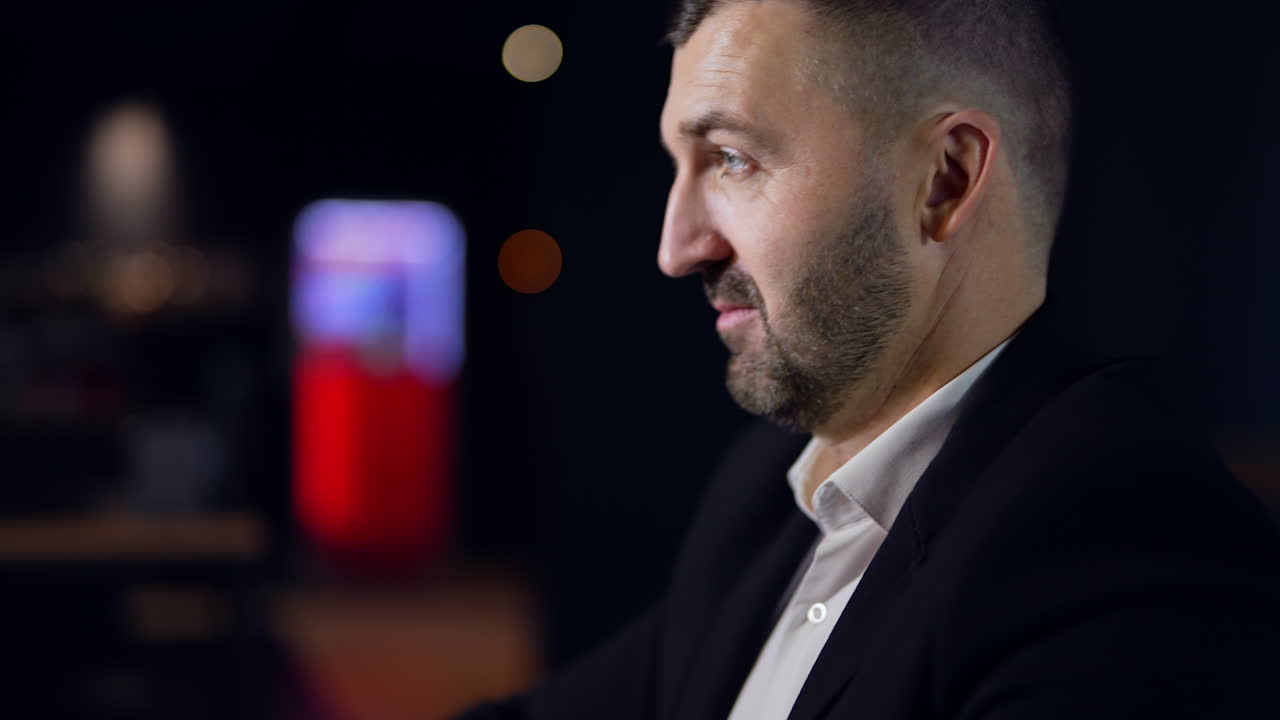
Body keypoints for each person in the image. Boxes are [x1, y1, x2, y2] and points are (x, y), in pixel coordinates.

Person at [460, 0, 1280, 717]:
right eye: (682, 166)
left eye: (733, 159)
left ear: (944, 181)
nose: (677, 247)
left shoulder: (1129, 550)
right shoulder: (769, 498)